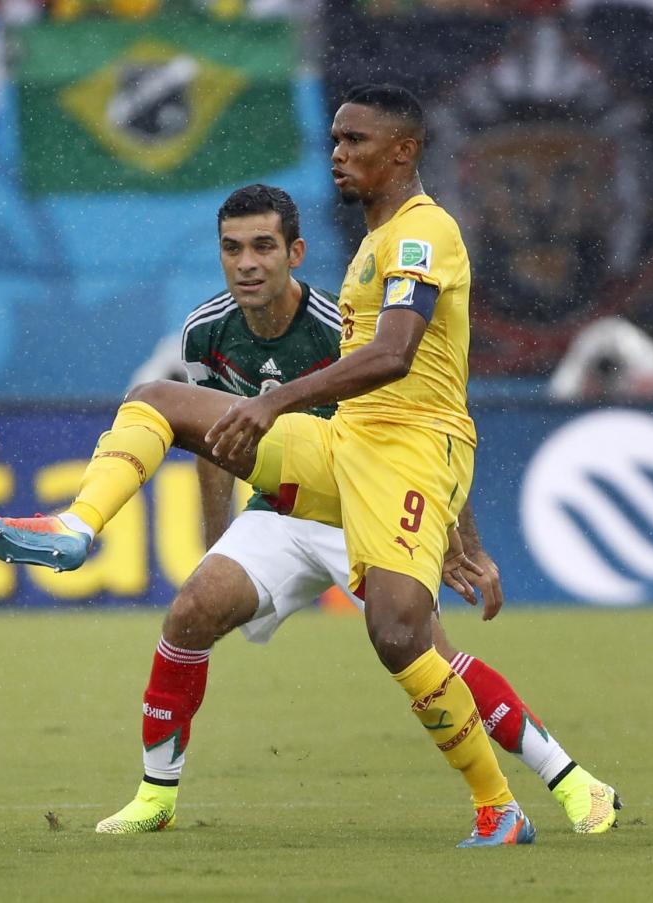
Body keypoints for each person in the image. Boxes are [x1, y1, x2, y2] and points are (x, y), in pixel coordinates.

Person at [0, 86, 546, 847]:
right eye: (335, 139)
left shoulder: (419, 235)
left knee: (404, 637)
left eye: (355, 140)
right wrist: (221, 534)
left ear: (403, 151)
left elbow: (398, 362)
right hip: (329, 463)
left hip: (396, 466)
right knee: (159, 411)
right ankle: (78, 528)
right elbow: (247, 436)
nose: (337, 153)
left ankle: (528, 792)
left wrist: (455, 533)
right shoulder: (356, 253)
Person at [97, 184, 619, 836]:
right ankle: (156, 797)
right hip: (282, 510)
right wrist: (216, 543)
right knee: (190, 611)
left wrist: (459, 536)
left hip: (369, 504)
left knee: (423, 650)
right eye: (233, 249)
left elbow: (425, 421)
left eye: (263, 247)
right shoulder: (206, 332)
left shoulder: (338, 324)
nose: (248, 263)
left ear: (295, 253)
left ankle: (571, 780)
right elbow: (217, 446)